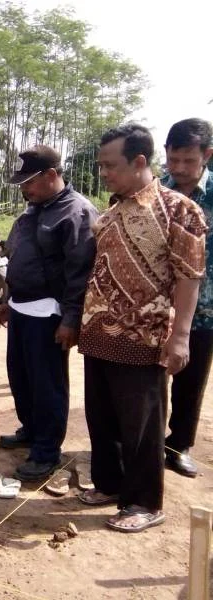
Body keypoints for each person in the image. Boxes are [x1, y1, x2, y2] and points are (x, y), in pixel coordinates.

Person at [78, 123, 206, 533]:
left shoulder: (179, 210)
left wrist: (180, 335)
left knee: (142, 424)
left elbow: (189, 276)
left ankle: (145, 502)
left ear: (138, 161)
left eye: (109, 165)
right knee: (102, 418)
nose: (104, 174)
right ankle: (110, 485)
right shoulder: (112, 210)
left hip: (144, 337)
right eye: (100, 166)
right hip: (98, 334)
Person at [0, 146, 98, 481]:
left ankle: (46, 452)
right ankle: (31, 429)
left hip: (49, 313)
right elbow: (16, 256)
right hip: (22, 308)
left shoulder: (77, 212)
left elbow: (80, 273)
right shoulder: (32, 209)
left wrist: (71, 319)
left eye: (29, 181)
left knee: (47, 384)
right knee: (20, 376)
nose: (24, 188)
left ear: (52, 175)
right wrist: (7, 299)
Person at [161, 118, 213, 478]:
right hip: (158, 307)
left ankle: (179, 445)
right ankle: (148, 439)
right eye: (172, 160)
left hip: (206, 310)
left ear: (207, 155)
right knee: (151, 378)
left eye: (188, 161)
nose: (178, 169)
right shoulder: (157, 192)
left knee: (191, 378)